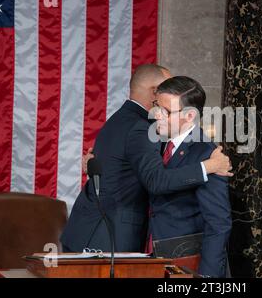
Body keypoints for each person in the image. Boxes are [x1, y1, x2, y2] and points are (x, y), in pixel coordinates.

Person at [60, 64, 232, 253]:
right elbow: (156, 180)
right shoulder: (142, 127)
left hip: (87, 227)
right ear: (155, 93)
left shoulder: (121, 118)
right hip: (108, 234)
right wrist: (208, 166)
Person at [147, 76, 232, 277]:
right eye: (156, 106)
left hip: (187, 265)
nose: (156, 115)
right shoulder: (157, 144)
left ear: (190, 115)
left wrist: (206, 277)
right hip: (156, 260)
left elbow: (219, 223)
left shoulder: (207, 154)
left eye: (165, 111)